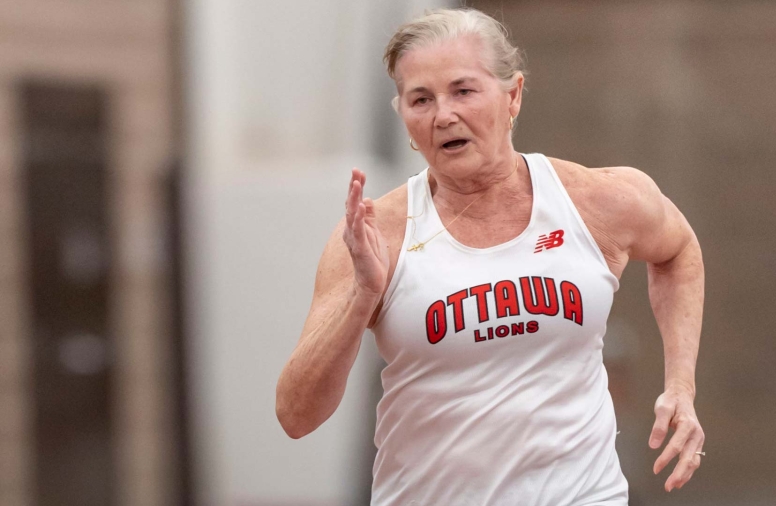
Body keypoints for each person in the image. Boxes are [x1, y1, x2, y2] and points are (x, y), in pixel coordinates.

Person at [276, 8, 705, 505]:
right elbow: (295, 414)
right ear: (405, 118)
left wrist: (680, 386)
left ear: (513, 95)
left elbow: (678, 251)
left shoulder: (595, 201)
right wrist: (362, 297)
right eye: (421, 99)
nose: (443, 115)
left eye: (463, 90)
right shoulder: (379, 235)